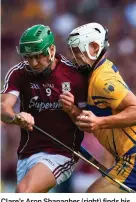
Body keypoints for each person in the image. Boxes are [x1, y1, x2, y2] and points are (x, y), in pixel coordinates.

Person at [1, 24, 88, 193]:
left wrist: (71, 109)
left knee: (24, 191)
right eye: (28, 57)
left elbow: (87, 122)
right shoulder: (18, 73)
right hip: (27, 153)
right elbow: (4, 108)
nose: (33, 63)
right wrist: (16, 117)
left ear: (52, 50)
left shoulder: (74, 76)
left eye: (38, 56)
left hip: (60, 153)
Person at [59, 22, 136, 192]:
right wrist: (71, 109)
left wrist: (100, 122)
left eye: (77, 51)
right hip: (124, 157)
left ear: (94, 48)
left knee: (93, 195)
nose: (73, 57)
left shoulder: (103, 79)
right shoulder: (93, 76)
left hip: (133, 157)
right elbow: (90, 122)